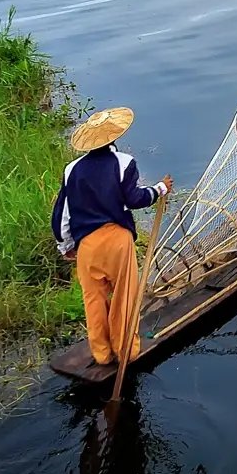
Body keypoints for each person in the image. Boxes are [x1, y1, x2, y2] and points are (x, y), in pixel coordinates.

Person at [52, 107, 173, 370]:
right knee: (124, 297)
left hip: (88, 246)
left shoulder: (71, 169)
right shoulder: (124, 163)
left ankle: (102, 354)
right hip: (117, 241)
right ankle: (126, 350)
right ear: (113, 138)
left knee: (93, 299)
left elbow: (62, 213)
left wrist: (66, 246)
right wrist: (160, 188)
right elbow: (135, 198)